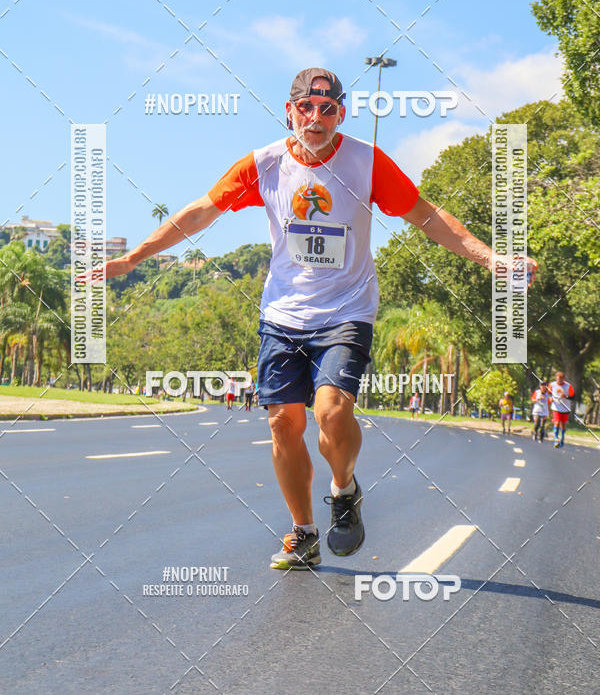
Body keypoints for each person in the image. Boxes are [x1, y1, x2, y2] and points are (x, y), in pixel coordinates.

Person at [102, 67, 537, 570]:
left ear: (341, 114)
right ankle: (303, 533)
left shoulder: (366, 162)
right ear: (289, 111)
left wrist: (492, 260)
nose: (315, 118)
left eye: (326, 108)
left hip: (347, 309)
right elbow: (201, 212)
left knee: (331, 410)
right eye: (306, 108)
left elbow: (428, 216)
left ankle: (344, 489)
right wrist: (134, 258)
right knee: (284, 424)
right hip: (282, 314)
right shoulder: (263, 165)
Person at [549, 371, 575, 448]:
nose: (559, 381)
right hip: (556, 407)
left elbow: (573, 397)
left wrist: (565, 396)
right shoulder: (552, 385)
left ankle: (562, 437)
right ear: (556, 378)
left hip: (565, 408)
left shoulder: (568, 386)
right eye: (558, 379)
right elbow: (549, 393)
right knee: (556, 422)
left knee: (563, 425)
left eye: (561, 380)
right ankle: (556, 439)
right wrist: (550, 398)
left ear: (563, 379)